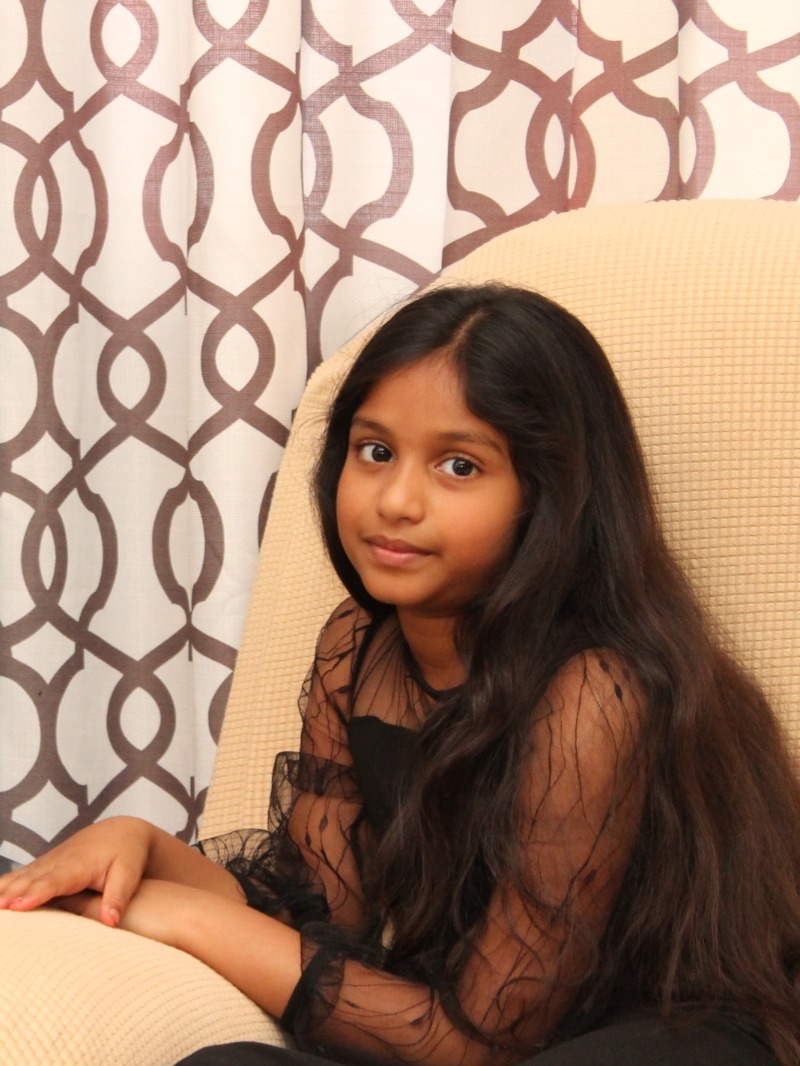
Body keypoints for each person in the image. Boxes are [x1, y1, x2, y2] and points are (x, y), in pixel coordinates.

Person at [1, 284, 798, 1066]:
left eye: (459, 466)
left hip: (656, 1035)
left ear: (547, 496)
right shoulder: (357, 647)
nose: (397, 500)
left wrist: (185, 918)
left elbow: (482, 1040)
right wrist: (145, 847)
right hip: (452, 1027)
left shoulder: (594, 692)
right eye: (375, 452)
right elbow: (327, 921)